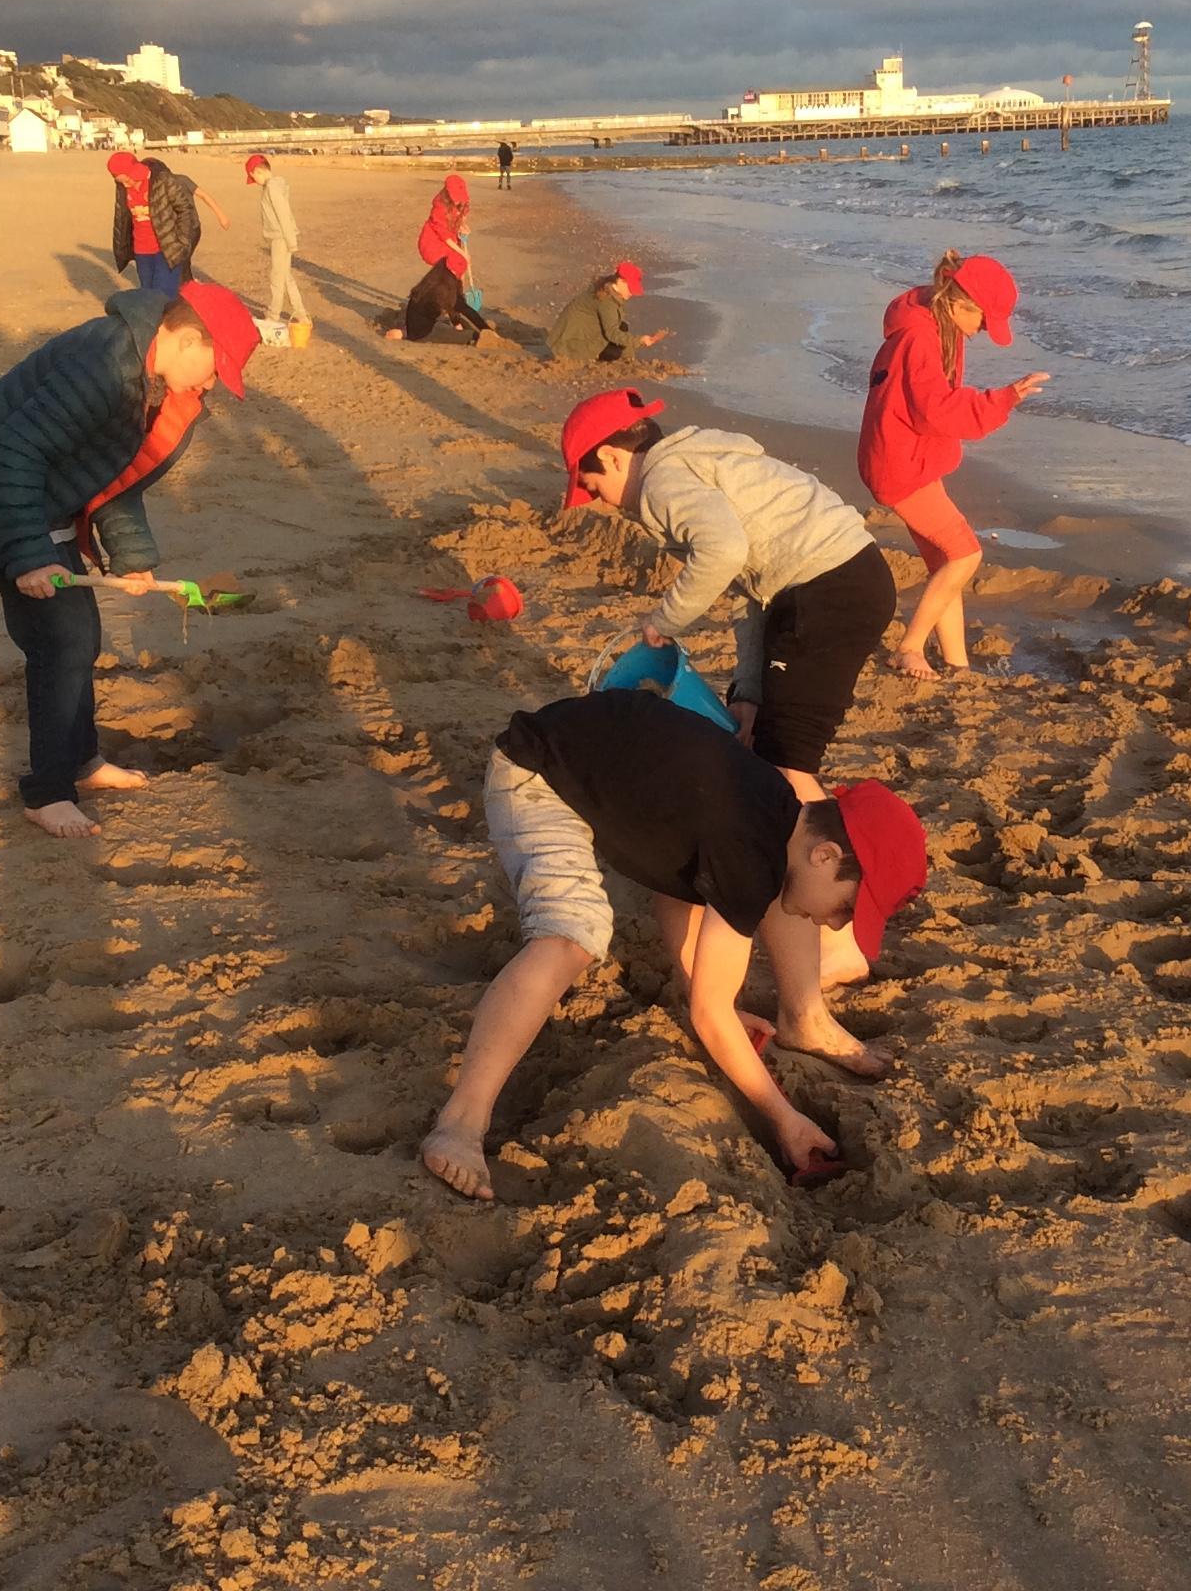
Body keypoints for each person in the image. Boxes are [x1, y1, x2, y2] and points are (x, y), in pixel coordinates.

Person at [418, 688, 929, 1203]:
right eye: (847, 907)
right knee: (571, 933)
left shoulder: (774, 808)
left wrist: (699, 991)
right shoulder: (748, 854)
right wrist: (783, 1117)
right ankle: (461, 1123)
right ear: (825, 855)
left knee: (678, 931)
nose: (836, 923)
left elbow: (679, 883)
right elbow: (711, 1014)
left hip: (581, 751)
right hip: (537, 776)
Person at [562, 387, 899, 986]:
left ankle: (841, 929)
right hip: (831, 584)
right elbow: (753, 593)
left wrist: (664, 620)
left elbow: (721, 552)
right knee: (772, 752)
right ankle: (829, 910)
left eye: (593, 487)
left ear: (612, 456)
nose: (603, 503)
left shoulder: (664, 481)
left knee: (786, 766)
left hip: (829, 589)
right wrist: (748, 690)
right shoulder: (698, 466)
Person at [0, 282, 260, 839]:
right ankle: (47, 794)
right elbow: (16, 451)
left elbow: (108, 473)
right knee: (60, 643)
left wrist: (130, 556)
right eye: (215, 369)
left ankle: (82, 761)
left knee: (81, 636)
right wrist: (28, 556)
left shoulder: (147, 378)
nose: (212, 384)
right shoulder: (106, 365)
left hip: (39, 501)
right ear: (187, 340)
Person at [857, 251, 1051, 681]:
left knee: (947, 562)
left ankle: (957, 664)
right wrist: (1002, 399)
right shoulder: (920, 338)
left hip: (905, 458)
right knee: (965, 553)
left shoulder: (937, 325)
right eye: (984, 321)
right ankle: (909, 648)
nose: (983, 331)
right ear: (961, 303)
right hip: (901, 466)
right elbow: (936, 411)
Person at [109, 152, 226, 293]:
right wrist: (122, 248)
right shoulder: (122, 188)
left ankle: (187, 290)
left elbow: (185, 210)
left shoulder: (166, 181)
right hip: (141, 251)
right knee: (148, 294)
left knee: (165, 293)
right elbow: (122, 219)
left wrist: (182, 241)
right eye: (120, 181)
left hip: (167, 247)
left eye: (127, 180)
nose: (125, 184)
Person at [392, 173, 487, 342]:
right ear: (448, 196)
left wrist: (463, 228)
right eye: (455, 199)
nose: (458, 202)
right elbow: (444, 235)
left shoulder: (462, 204)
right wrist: (462, 253)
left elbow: (459, 223)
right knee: (452, 268)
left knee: (457, 268)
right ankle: (455, 307)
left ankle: (457, 300)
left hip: (450, 238)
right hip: (433, 241)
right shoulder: (439, 208)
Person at [546, 261, 669, 365]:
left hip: (567, 337)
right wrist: (640, 341)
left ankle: (626, 357)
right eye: (630, 288)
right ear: (620, 281)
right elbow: (612, 334)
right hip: (569, 346)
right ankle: (618, 358)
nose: (631, 293)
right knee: (616, 352)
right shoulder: (606, 302)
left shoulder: (605, 287)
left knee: (622, 327)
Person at [246, 152, 310, 330]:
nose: (255, 182)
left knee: (276, 277)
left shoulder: (272, 187)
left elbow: (283, 214)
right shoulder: (274, 185)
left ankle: (273, 316)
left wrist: (291, 241)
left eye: (254, 177)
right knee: (286, 277)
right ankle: (301, 315)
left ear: (258, 171)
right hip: (280, 237)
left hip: (280, 238)